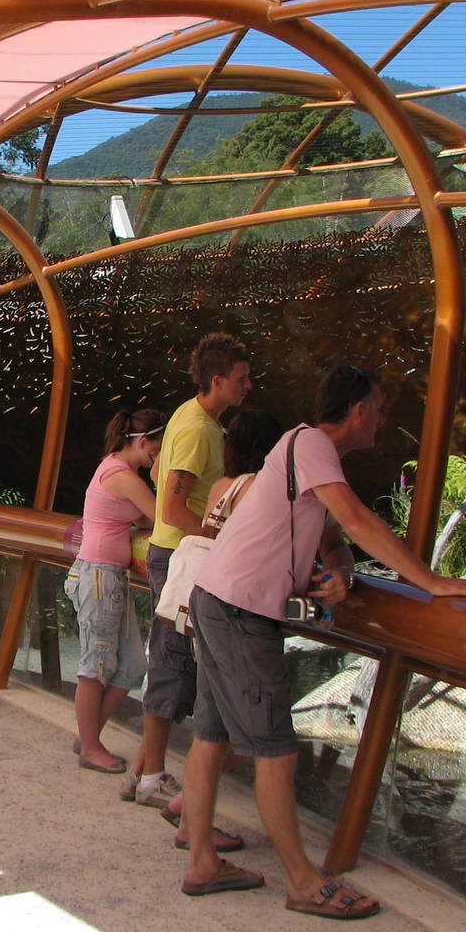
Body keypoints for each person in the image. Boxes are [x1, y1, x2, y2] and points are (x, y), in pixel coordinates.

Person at [178, 363, 466, 916]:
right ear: (360, 410)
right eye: (380, 411)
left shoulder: (304, 454)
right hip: (240, 610)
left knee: (212, 735)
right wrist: (432, 583)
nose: (382, 422)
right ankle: (303, 881)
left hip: (218, 598)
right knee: (275, 750)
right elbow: (360, 520)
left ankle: (202, 861)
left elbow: (336, 539)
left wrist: (340, 574)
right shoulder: (312, 443)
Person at [121, 333, 252, 810]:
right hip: (182, 557)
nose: (248, 385)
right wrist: (222, 538)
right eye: (241, 378)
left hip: (171, 553)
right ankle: (153, 777)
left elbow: (162, 482)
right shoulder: (199, 430)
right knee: (173, 664)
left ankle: (142, 770)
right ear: (217, 380)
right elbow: (174, 508)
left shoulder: (188, 416)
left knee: (170, 659)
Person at [156, 409, 283, 849]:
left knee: (212, 724)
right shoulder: (262, 491)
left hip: (203, 610)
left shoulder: (221, 488)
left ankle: (189, 816)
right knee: (238, 730)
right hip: (236, 614)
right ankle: (189, 815)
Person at [65, 407, 164, 773]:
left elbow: (143, 517)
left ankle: (88, 736)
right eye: (158, 449)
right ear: (144, 442)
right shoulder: (122, 475)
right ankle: (91, 747)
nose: (158, 455)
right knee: (95, 666)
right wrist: (159, 474)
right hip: (99, 577)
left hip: (108, 577)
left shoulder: (114, 468)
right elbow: (164, 515)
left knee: (133, 665)